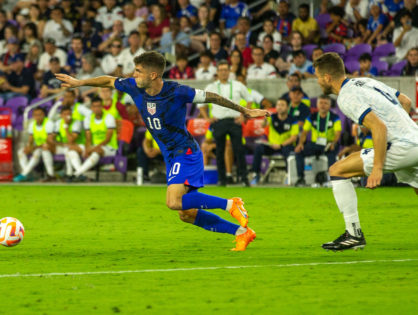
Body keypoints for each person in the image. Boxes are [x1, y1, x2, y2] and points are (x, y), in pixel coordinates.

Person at [56, 51, 269, 251]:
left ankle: (231, 203)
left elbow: (212, 96)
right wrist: (80, 83)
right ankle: (242, 232)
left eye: (138, 71)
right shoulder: (134, 87)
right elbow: (109, 80)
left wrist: (244, 110)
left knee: (173, 202)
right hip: (170, 155)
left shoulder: (177, 91)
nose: (134, 75)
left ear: (153, 74)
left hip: (184, 152)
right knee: (185, 213)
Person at [312, 52, 418, 251]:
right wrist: (400, 129)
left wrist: (377, 168)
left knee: (337, 170)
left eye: (318, 77)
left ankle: (353, 234)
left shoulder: (346, 96)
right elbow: (406, 101)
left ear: (327, 78)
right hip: (415, 140)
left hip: (401, 147)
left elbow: (379, 128)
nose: (318, 82)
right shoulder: (365, 82)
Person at [200, 60, 255, 187]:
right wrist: (207, 118)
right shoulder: (211, 87)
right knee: (219, 151)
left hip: (234, 121)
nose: (224, 72)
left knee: (239, 150)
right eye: (221, 70)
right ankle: (222, 179)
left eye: (226, 70)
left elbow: (249, 100)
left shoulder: (237, 85)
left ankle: (244, 178)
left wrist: (244, 116)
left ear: (230, 71)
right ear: (217, 72)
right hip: (219, 121)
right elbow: (201, 105)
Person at [294, 95, 342, 186]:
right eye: (321, 103)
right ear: (317, 104)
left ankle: (331, 179)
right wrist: (300, 143)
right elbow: (304, 132)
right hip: (315, 144)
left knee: (331, 153)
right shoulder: (311, 117)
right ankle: (301, 179)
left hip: (328, 144)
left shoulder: (334, 117)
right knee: (299, 152)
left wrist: (334, 143)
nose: (323, 105)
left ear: (329, 105)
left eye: (325, 103)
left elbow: (338, 133)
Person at [250, 98, 298, 185]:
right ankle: (256, 174)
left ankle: (288, 175)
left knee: (288, 151)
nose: (280, 107)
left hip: (284, 146)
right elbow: (263, 125)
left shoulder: (293, 120)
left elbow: (293, 138)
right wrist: (265, 118)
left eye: (282, 105)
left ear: (287, 107)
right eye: (278, 105)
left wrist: (281, 145)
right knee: (259, 149)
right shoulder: (272, 117)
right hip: (272, 146)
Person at [14, 107, 56, 182]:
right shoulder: (32, 124)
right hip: (38, 146)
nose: (37, 117)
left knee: (38, 152)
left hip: (49, 146)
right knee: (21, 151)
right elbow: (31, 139)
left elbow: (49, 141)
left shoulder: (49, 123)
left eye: (39, 115)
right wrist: (29, 147)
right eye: (35, 115)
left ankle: (24, 174)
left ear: (44, 115)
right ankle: (28, 174)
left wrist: (34, 147)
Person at [53, 106, 84, 181]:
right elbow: (50, 139)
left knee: (68, 150)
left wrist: (66, 126)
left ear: (72, 114)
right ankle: (77, 173)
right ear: (61, 115)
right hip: (65, 146)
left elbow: (71, 141)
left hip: (79, 146)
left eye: (69, 114)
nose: (67, 116)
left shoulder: (76, 123)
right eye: (65, 114)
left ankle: (70, 174)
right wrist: (61, 144)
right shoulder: (58, 123)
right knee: (68, 150)